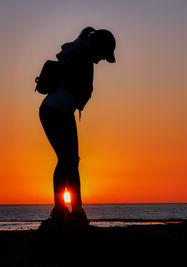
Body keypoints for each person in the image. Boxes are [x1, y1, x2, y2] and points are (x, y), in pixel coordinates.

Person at [39, 27, 116, 223]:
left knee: (67, 160)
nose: (101, 60)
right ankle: (73, 210)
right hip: (58, 110)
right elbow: (81, 88)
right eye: (103, 55)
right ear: (98, 46)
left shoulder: (78, 51)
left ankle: (63, 208)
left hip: (54, 109)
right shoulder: (83, 53)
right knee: (69, 161)